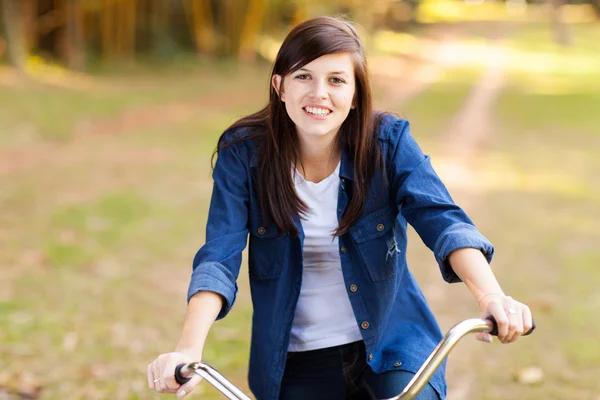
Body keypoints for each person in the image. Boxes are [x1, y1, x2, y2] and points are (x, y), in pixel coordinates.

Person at [147, 16, 533, 400]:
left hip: (392, 349)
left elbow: (443, 221)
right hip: (294, 361)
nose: (319, 93)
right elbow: (219, 257)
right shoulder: (244, 154)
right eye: (303, 77)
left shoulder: (388, 143)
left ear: (355, 95)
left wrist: (491, 297)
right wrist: (188, 349)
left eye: (336, 80)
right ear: (278, 86)